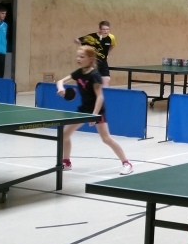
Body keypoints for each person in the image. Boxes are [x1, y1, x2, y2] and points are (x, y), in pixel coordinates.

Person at [56, 46, 132, 174]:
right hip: (84, 109)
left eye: (82, 57)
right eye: (77, 56)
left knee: (106, 138)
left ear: (90, 59)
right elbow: (60, 81)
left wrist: (94, 114)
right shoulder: (79, 72)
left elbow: (100, 96)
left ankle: (126, 163)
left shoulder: (95, 75)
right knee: (65, 134)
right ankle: (66, 162)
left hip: (97, 110)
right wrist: (60, 88)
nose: (78, 59)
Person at [77, 20, 116, 87]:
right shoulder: (91, 37)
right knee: (93, 81)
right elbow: (78, 40)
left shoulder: (111, 37)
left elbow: (112, 45)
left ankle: (104, 93)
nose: (106, 31)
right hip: (93, 62)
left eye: (107, 29)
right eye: (103, 29)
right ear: (99, 29)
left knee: (107, 79)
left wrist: (108, 54)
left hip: (103, 62)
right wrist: (85, 51)